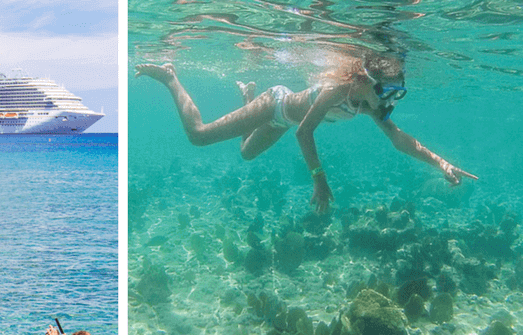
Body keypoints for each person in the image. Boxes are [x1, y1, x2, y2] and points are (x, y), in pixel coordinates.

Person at [136, 51, 478, 213]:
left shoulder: (369, 104)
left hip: (281, 123)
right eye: (386, 92)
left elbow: (399, 138)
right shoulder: (335, 91)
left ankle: (244, 98)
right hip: (276, 104)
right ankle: (170, 77)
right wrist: (319, 178)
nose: (389, 101)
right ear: (363, 82)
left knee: (245, 154)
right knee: (199, 135)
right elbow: (304, 132)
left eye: (396, 94)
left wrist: (441, 163)